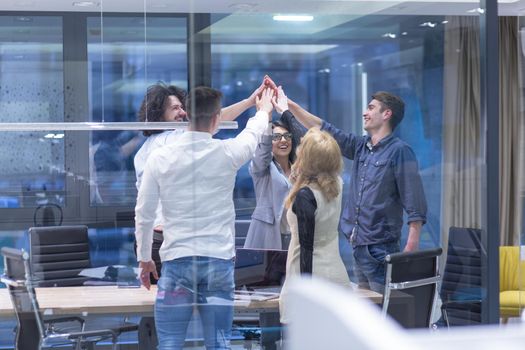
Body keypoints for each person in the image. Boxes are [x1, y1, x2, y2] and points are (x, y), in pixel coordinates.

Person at [134, 86, 274, 349]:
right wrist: (263, 109)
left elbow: (144, 214)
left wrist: (145, 259)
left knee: (170, 344)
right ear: (216, 119)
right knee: (218, 345)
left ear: (187, 115)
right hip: (217, 264)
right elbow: (253, 133)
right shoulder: (227, 153)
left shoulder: (159, 157)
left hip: (176, 262)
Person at [276, 82, 427, 293]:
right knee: (365, 314)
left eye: (371, 108)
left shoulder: (400, 151)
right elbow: (323, 129)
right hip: (358, 247)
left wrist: (411, 248)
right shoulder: (361, 147)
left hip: (381, 248)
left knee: (382, 315)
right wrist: (288, 106)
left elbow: (414, 201)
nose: (365, 113)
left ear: (387, 114)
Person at [279, 128, 351, 324]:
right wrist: (286, 110)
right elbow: (320, 149)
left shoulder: (305, 196)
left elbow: (306, 248)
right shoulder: (336, 183)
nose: (298, 150)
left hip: (312, 280)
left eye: (302, 148)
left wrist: (305, 294)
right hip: (336, 276)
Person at [243, 86, 306, 250]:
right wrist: (267, 116)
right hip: (268, 235)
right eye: (276, 137)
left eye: (287, 136)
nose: (283, 141)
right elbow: (262, 151)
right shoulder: (262, 168)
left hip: (294, 237)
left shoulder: (299, 170)